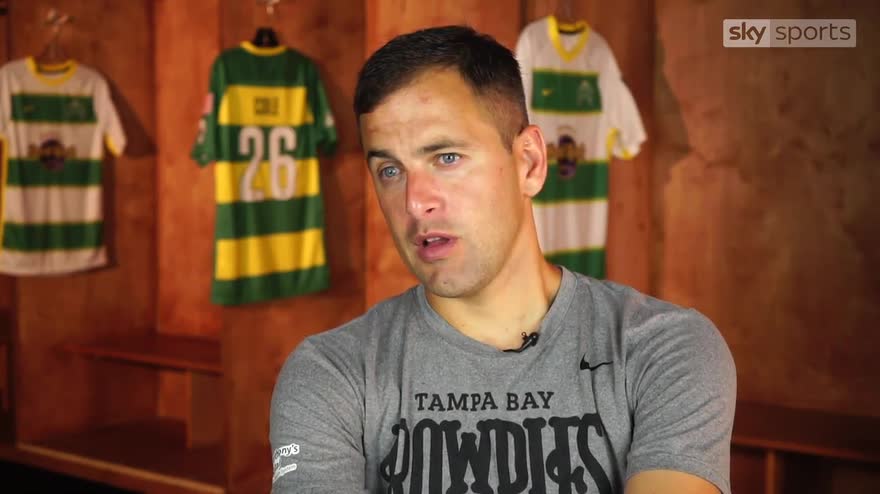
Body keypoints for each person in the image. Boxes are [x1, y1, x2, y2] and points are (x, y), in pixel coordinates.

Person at [269, 25, 736, 494]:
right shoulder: (330, 374)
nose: (415, 202)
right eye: (390, 170)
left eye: (446, 158)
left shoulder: (663, 348)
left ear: (529, 162)